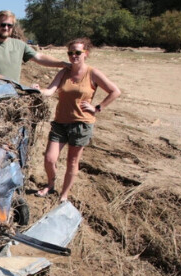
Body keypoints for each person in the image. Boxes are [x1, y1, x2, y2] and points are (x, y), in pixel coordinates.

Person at [32, 37, 121, 202]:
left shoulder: (92, 73)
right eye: (70, 52)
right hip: (60, 123)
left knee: (72, 162)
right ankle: (50, 185)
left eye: (77, 52)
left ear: (85, 53)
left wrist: (97, 108)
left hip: (81, 124)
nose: (74, 55)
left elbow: (115, 91)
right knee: (49, 159)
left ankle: (64, 194)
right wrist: (38, 90)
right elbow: (50, 91)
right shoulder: (64, 72)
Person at [0, 10, 68, 82]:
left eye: (9, 25)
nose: (6, 28)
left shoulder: (19, 45)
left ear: (12, 27)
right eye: (3, 24)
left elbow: (40, 57)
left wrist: (62, 63)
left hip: (13, 96)